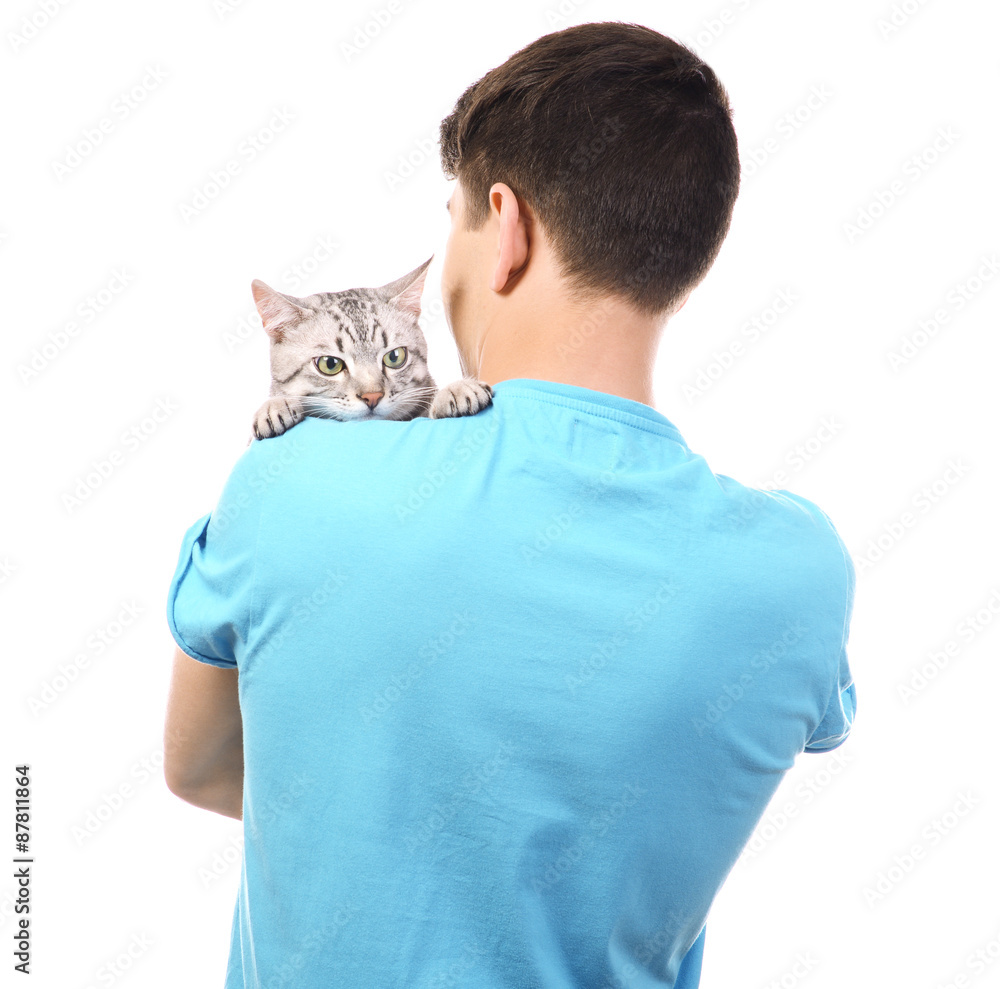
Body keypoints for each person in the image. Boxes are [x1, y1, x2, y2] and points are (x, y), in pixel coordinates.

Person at [163, 20, 857, 989]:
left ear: (506, 226)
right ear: (682, 269)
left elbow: (198, 768)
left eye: (452, 217)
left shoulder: (291, 478)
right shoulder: (799, 573)